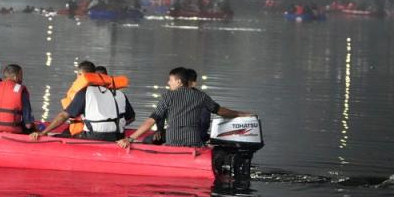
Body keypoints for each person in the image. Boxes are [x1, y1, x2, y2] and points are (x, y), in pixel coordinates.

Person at [118, 67, 250, 149]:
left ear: (179, 82)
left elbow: (150, 121)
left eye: (171, 80)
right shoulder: (200, 96)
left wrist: (130, 138)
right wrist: (239, 114)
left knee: (149, 141)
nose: (168, 83)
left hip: (173, 142)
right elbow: (220, 110)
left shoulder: (167, 96)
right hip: (193, 142)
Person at [33, 65, 134, 142]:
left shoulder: (86, 92)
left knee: (57, 137)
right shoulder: (119, 94)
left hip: (94, 137)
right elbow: (131, 118)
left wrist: (43, 132)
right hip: (117, 136)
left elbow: (63, 116)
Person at [0, 64, 34, 134]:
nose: (21, 79)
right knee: (32, 129)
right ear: (15, 77)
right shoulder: (20, 90)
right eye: (21, 76)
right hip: (13, 131)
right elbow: (28, 124)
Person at [60, 60, 97, 136]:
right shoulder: (100, 89)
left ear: (80, 74)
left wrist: (44, 132)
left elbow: (64, 115)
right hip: (93, 128)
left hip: (82, 130)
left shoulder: (81, 91)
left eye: (79, 74)